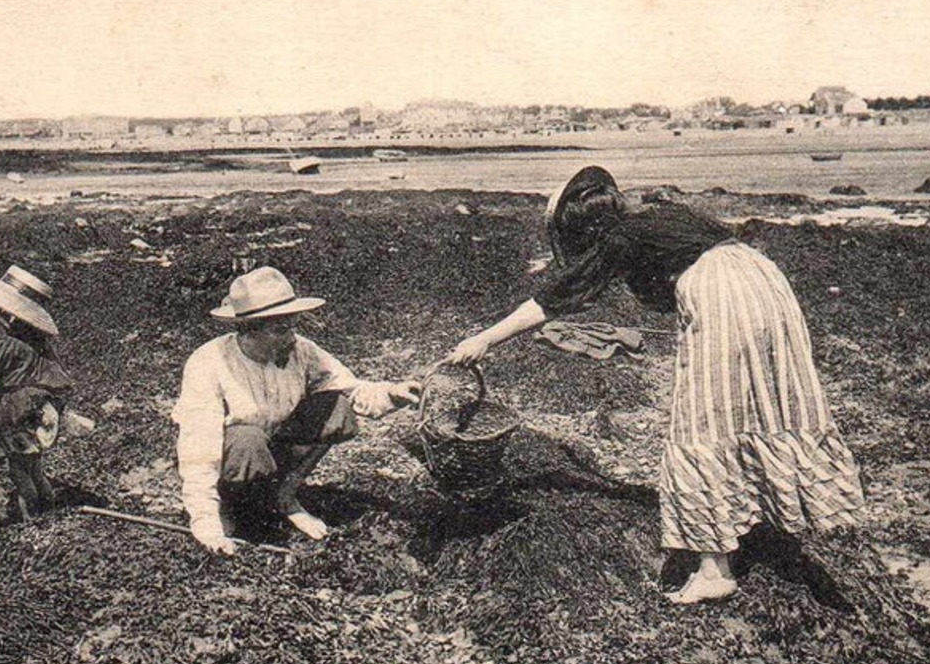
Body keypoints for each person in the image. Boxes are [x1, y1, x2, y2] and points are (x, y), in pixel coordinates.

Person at [447, 166, 864, 604]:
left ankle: (714, 570)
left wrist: (485, 338)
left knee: (702, 420)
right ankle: (762, 514)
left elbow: (556, 297)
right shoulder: (660, 215)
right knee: (766, 401)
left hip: (722, 292)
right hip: (765, 282)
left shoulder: (619, 237)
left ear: (580, 225)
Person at [173, 266, 419, 554]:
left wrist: (393, 393)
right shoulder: (209, 363)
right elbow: (199, 451)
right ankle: (232, 508)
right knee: (247, 441)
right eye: (280, 329)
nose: (291, 336)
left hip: (276, 445)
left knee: (336, 408)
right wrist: (206, 523)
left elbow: (350, 389)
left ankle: (283, 496)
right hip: (230, 455)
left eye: (293, 325)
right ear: (249, 329)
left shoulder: (300, 349)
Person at [0, 265, 73, 520]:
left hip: (15, 411)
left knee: (19, 472)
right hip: (39, 407)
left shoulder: (4, 343)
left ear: (8, 315)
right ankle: (50, 513)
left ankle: (31, 522)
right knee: (35, 467)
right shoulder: (39, 344)